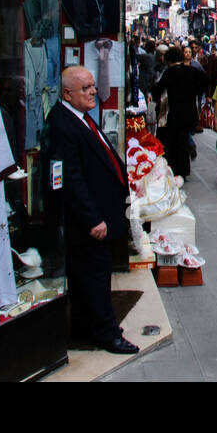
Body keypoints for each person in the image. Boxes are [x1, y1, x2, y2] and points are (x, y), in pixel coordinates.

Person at [46, 66, 137, 354]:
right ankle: (107, 333)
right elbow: (70, 179)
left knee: (90, 276)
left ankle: (86, 326)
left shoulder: (80, 116)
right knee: (95, 277)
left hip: (100, 214)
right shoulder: (62, 124)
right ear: (67, 93)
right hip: (87, 222)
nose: (93, 92)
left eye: (93, 86)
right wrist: (92, 219)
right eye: (85, 88)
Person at [151, 46, 209, 180]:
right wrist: (196, 90)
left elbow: (158, 89)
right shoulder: (191, 70)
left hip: (174, 113)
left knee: (172, 142)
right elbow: (206, 79)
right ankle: (183, 170)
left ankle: (173, 169)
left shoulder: (170, 72)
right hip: (189, 112)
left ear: (168, 60)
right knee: (182, 142)